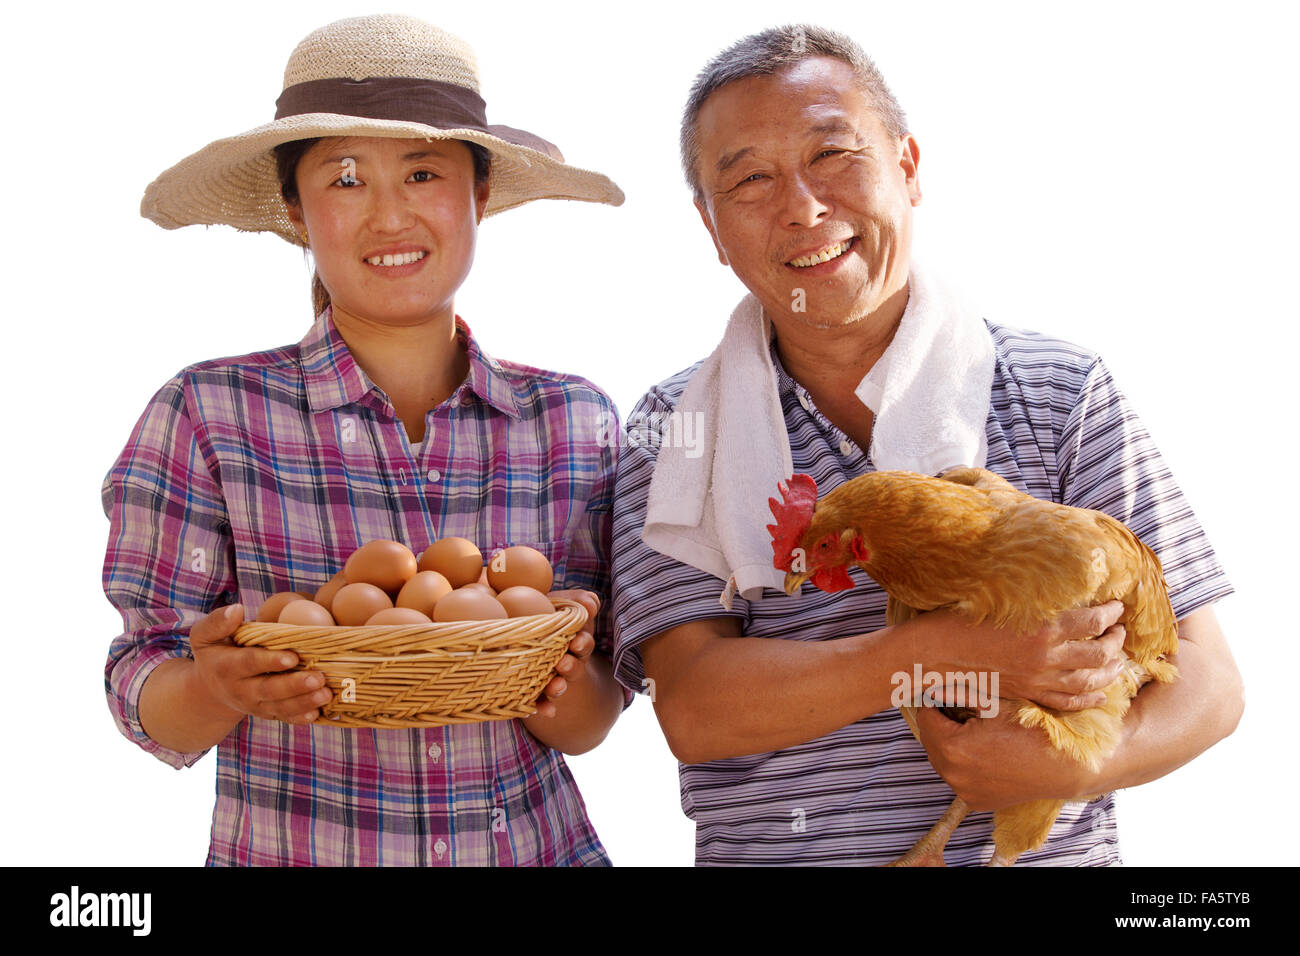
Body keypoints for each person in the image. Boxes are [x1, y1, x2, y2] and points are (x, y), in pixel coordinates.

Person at [609, 24, 1243, 866]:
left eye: (832, 153)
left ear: (907, 167)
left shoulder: (1060, 389)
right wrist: (940, 652)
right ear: (712, 229)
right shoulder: (675, 427)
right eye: (751, 178)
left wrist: (1072, 758)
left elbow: (1211, 682)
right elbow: (692, 709)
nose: (802, 206)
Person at [102, 14, 630, 866]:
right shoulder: (209, 414)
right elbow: (141, 685)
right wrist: (211, 686)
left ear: (480, 196)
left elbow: (599, 708)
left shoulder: (574, 422)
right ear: (294, 209)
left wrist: (553, 678)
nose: (389, 215)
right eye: (345, 180)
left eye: (423, 173)